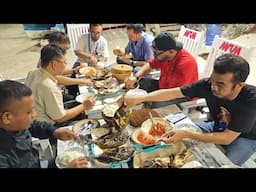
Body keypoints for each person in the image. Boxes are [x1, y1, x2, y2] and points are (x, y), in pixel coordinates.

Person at [123, 53, 256, 166]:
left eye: (220, 84)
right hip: (216, 125)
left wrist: (187, 134)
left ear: (239, 85)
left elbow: (227, 138)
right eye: (213, 80)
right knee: (172, 130)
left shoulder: (251, 100)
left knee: (222, 164)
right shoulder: (209, 84)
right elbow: (173, 93)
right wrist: (140, 99)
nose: (213, 87)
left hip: (246, 137)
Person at [0, 80, 88, 168]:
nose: (34, 114)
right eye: (29, 112)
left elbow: (33, 125)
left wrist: (54, 131)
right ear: (7, 117)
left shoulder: (16, 124)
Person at [25, 44, 96, 126]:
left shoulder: (34, 72)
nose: (65, 65)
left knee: (77, 105)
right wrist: (84, 106)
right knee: (88, 120)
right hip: (45, 126)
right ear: (54, 64)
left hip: (34, 118)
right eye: (64, 62)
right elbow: (60, 118)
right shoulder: (48, 87)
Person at [125, 31, 198, 108]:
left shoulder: (185, 64)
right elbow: (150, 64)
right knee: (141, 82)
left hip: (181, 96)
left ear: (171, 51)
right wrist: (135, 77)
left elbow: (172, 93)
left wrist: (143, 98)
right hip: (164, 86)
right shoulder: (164, 55)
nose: (154, 55)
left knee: (154, 105)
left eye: (156, 53)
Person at [37, 31, 93, 100]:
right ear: (53, 46)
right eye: (63, 49)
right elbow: (57, 79)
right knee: (80, 100)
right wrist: (82, 81)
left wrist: (74, 71)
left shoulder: (50, 54)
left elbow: (59, 71)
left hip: (61, 88)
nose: (65, 52)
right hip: (54, 95)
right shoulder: (49, 60)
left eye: (67, 49)